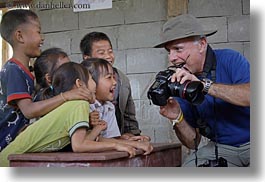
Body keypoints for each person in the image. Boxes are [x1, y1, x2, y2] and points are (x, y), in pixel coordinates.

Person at [0, 62, 143, 167]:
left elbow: (88, 140)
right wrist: (116, 146)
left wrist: (129, 143)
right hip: (9, 163)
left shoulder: (74, 106)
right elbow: (79, 145)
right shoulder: (79, 104)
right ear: (80, 84)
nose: (94, 83)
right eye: (92, 79)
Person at [154, 14, 250, 167]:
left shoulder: (230, 59)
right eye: (169, 51)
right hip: (222, 148)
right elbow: (193, 142)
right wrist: (177, 118)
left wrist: (204, 86)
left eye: (178, 49)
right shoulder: (181, 83)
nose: (172, 58)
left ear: (202, 44)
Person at [0, 9, 91, 152]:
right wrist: (66, 96)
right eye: (38, 32)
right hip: (7, 146)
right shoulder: (13, 69)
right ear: (20, 36)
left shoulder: (26, 71)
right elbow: (29, 111)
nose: (42, 38)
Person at [80, 31, 150, 141]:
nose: (108, 56)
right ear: (87, 58)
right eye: (101, 53)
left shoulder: (122, 82)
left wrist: (132, 136)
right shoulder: (78, 90)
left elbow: (128, 117)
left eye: (110, 51)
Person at [81, 58, 153, 152]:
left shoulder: (109, 106)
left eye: (114, 78)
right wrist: (133, 144)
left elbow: (110, 138)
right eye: (109, 78)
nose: (115, 83)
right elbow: (95, 140)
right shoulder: (83, 105)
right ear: (91, 82)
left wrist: (126, 139)